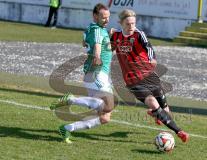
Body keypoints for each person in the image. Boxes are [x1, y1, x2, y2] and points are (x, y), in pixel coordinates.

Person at [111, 9, 189, 142]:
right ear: (121, 23)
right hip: (132, 81)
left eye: (133, 23)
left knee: (165, 108)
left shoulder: (139, 34)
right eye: (128, 24)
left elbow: (148, 47)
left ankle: (157, 115)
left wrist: (152, 58)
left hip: (149, 75)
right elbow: (108, 49)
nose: (131, 27)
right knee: (153, 103)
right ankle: (179, 132)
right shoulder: (115, 36)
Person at [50, 3, 114, 144]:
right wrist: (97, 58)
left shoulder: (93, 28)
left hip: (97, 74)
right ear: (95, 16)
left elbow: (84, 42)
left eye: (108, 17)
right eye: (103, 17)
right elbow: (97, 49)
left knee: (104, 117)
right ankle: (71, 99)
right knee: (109, 105)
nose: (107, 20)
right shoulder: (97, 30)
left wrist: (108, 39)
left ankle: (67, 128)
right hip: (97, 73)